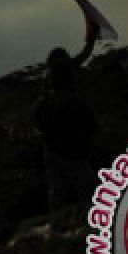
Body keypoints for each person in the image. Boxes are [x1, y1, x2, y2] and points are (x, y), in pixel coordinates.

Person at [35, 29, 99, 209]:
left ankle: (55, 228)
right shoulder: (74, 102)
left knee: (57, 191)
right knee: (90, 190)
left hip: (51, 150)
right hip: (74, 152)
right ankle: (95, 226)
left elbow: (39, 121)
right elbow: (92, 126)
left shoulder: (44, 97)